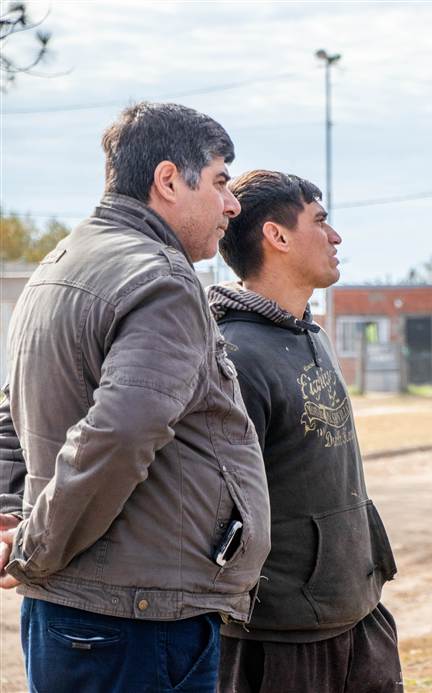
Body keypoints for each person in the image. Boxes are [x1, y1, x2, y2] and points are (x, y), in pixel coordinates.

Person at [0, 102, 271, 692]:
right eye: (222, 181)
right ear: (169, 179)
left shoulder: (59, 263)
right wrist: (35, 544)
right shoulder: (161, 278)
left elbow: (8, 410)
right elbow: (121, 433)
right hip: (137, 620)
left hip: (81, 610)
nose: (233, 204)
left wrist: (12, 514)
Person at [209, 169, 402, 693]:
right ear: (277, 236)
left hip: (358, 615)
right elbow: (214, 505)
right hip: (280, 639)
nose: (335, 236)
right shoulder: (235, 355)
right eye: (320, 221)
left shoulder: (310, 333)